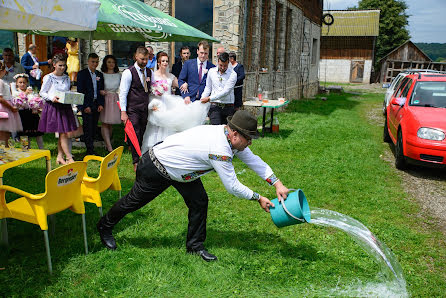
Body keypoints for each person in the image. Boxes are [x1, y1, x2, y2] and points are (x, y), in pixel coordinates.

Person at [97, 110, 289, 261]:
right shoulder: (220, 148)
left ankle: (195, 247)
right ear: (236, 134)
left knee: (199, 202)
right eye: (249, 139)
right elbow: (232, 186)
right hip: (157, 167)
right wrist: (258, 198)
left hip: (182, 172)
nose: (250, 144)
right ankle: (104, 226)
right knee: (133, 202)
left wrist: (277, 183)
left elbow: (253, 160)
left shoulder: (228, 136)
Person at [141, 52, 209, 153]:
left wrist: (185, 84)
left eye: (166, 61)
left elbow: (180, 84)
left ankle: (167, 149)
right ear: (158, 63)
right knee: (156, 126)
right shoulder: (153, 75)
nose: (165, 63)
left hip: (169, 103)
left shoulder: (171, 76)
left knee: (169, 124)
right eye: (163, 61)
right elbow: (148, 90)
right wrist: (152, 102)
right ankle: (153, 149)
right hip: (157, 102)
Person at [38, 53, 77, 165]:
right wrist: (52, 98)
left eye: (64, 65)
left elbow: (67, 91)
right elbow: (42, 92)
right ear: (54, 65)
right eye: (60, 65)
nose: (62, 67)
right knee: (63, 133)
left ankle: (60, 157)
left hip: (65, 107)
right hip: (54, 107)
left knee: (63, 133)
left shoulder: (66, 77)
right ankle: (69, 158)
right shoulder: (48, 77)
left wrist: (73, 97)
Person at [119, 46, 151, 171]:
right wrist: (123, 111)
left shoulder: (149, 72)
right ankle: (136, 161)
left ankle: (141, 156)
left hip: (145, 108)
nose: (144, 62)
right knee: (135, 134)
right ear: (136, 57)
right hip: (132, 108)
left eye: (146, 59)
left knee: (143, 132)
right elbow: (123, 92)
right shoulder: (128, 72)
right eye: (142, 59)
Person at [77, 53, 105, 156]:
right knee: (87, 126)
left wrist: (101, 103)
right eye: (93, 61)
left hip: (96, 103)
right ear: (88, 62)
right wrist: (84, 106)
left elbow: (101, 90)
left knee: (94, 126)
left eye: (97, 62)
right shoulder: (82, 74)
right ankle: (89, 149)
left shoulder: (99, 74)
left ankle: (92, 145)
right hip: (86, 104)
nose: (95, 64)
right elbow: (80, 91)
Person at [201, 52, 237, 125]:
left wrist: (209, 99)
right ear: (218, 62)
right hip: (215, 107)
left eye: (225, 66)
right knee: (215, 130)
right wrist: (202, 98)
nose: (223, 68)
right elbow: (208, 87)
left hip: (228, 107)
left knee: (227, 132)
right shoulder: (211, 71)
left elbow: (225, 92)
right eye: (221, 65)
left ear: (228, 63)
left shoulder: (233, 74)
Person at [11, 73, 44, 149]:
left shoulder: (31, 91)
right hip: (22, 114)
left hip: (32, 114)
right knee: (25, 134)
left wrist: (36, 106)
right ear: (16, 83)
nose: (22, 84)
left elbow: (34, 101)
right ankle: (26, 149)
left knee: (38, 133)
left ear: (27, 83)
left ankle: (42, 149)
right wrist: (25, 93)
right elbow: (18, 101)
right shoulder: (16, 93)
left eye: (24, 82)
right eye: (20, 82)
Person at [99, 55, 121, 153]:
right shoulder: (101, 74)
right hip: (105, 98)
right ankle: (109, 146)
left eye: (113, 62)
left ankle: (108, 142)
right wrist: (101, 91)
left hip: (115, 98)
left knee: (111, 123)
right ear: (105, 63)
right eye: (109, 62)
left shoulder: (119, 75)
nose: (111, 64)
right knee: (105, 122)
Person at [0, 63, 22, 143]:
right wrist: (11, 108)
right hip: (4, 108)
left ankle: (5, 148)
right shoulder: (0, 82)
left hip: (6, 106)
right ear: (3, 70)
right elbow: (1, 99)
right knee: (3, 130)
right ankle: (3, 149)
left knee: (6, 131)